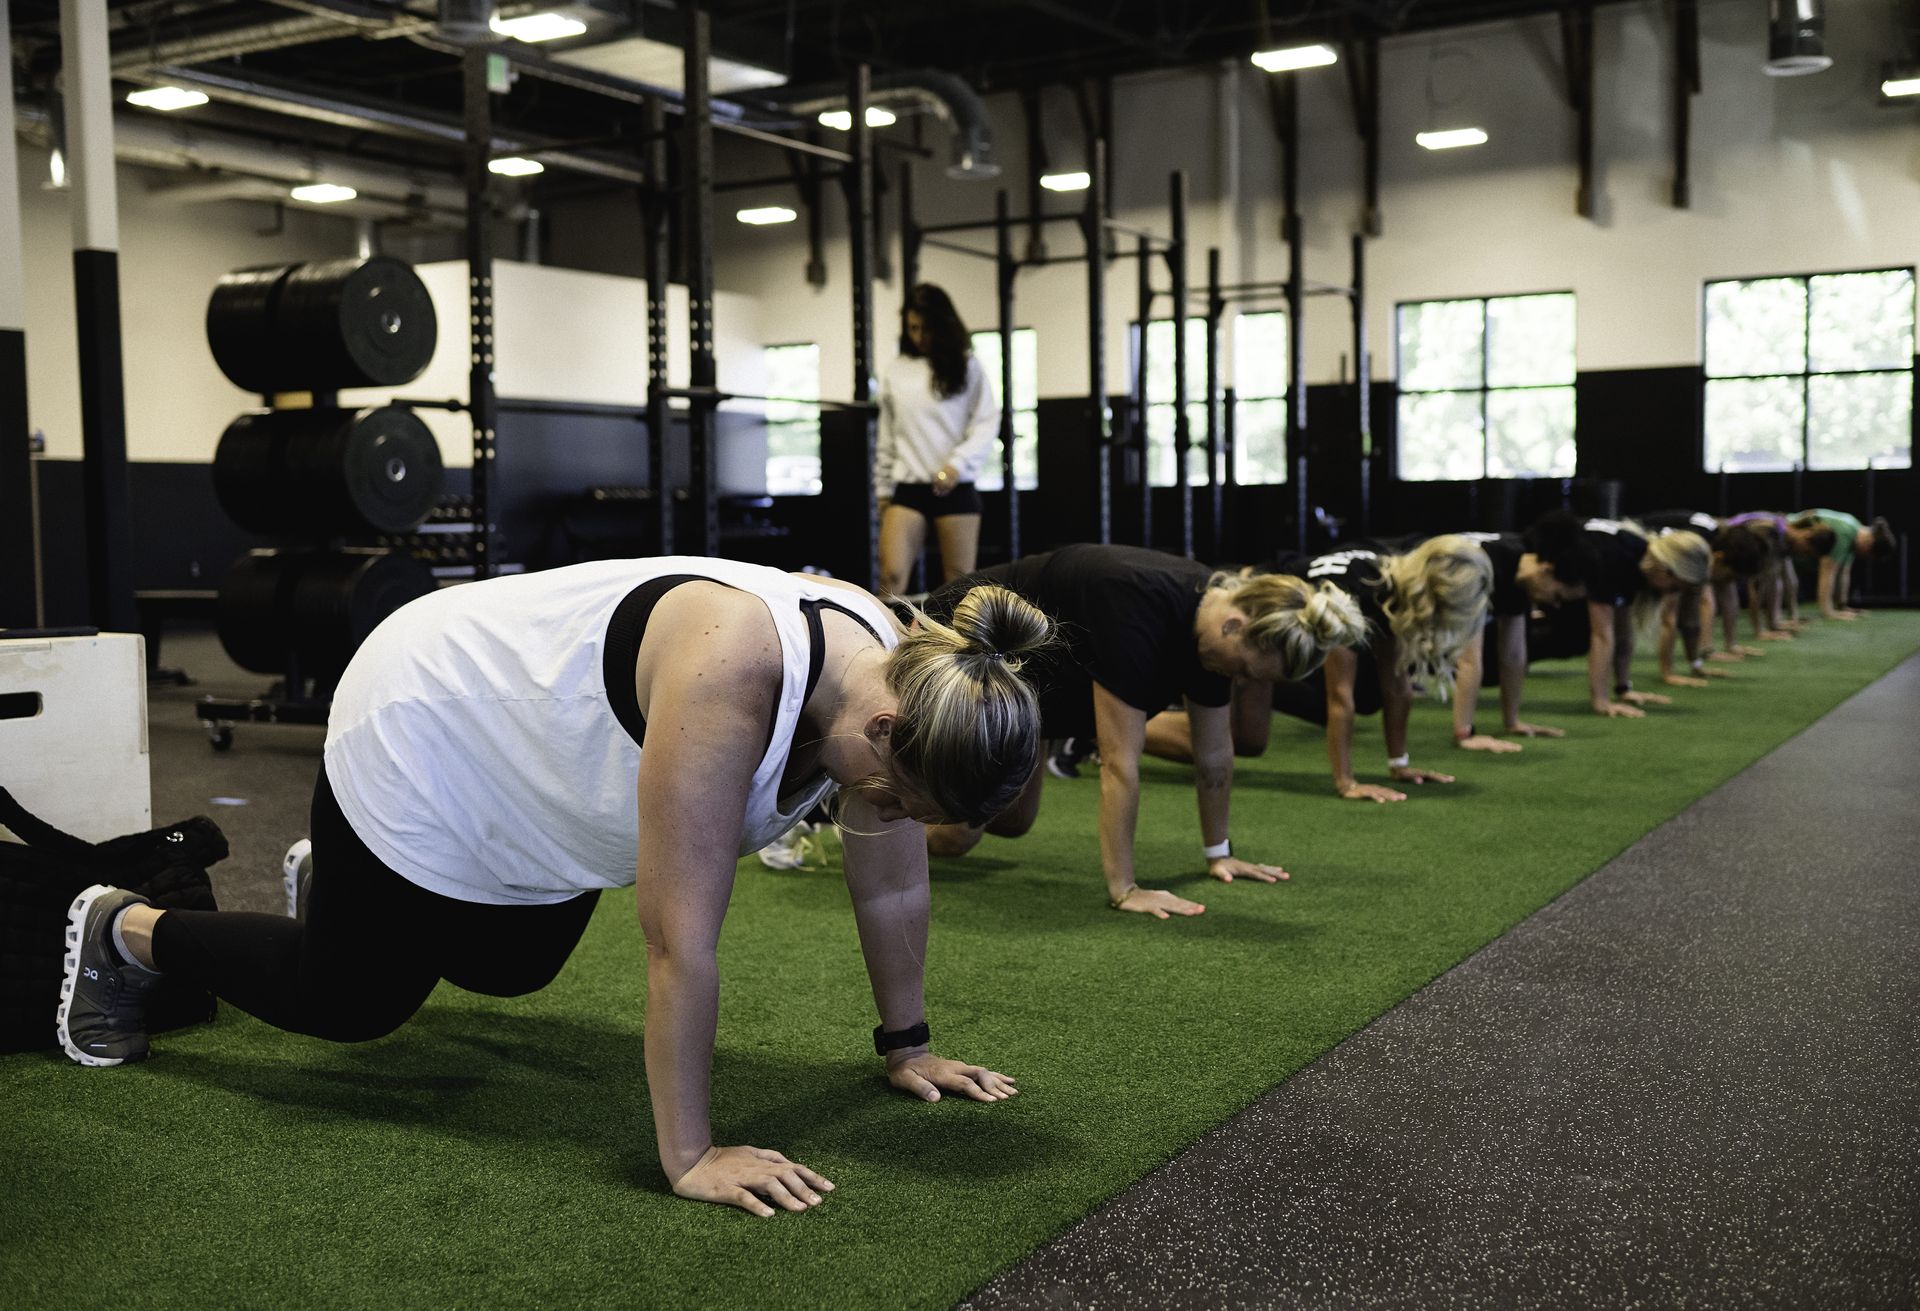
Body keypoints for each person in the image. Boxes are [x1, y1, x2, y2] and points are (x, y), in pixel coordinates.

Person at [55, 557, 1049, 1218]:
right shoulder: (739, 675)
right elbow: (679, 941)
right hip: (427, 717)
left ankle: (364, 884)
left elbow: (889, 888)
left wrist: (908, 1046)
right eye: (899, 799)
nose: (893, 820)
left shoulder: (908, 688)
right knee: (350, 1001)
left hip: (532, 778)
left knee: (516, 964)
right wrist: (690, 1155)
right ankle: (128, 931)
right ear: (882, 734)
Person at [921, 544, 1367, 919]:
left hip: (1035, 686)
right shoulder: (1137, 605)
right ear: (1236, 628)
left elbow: (1214, 757)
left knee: (1012, 820)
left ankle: (878, 811)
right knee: (959, 831)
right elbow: (1118, 764)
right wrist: (1126, 889)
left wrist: (1220, 853)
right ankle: (864, 806)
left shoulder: (1215, 637)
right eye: (1247, 671)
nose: (1244, 682)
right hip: (965, 646)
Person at [1260, 537, 1494, 802]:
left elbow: (1396, 686)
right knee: (1251, 741)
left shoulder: (1389, 583)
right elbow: (1340, 695)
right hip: (1257, 616)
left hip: (1283, 634)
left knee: (1373, 693)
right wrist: (1347, 783)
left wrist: (1399, 765)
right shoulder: (1352, 591)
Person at [875, 284, 1001, 598]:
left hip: (955, 487)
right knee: (889, 576)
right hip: (909, 486)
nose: (919, 336)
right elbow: (888, 434)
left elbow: (986, 422)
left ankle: (960, 647)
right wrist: (882, 488)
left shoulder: (967, 365)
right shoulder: (896, 369)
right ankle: (882, 645)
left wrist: (956, 466)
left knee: (960, 584)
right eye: (913, 328)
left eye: (927, 329)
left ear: (942, 326)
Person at [1445, 512, 1594, 752]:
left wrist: (1512, 722)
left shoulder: (1521, 572)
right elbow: (1469, 660)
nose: (1555, 606)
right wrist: (1465, 734)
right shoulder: (1485, 566)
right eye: (1557, 596)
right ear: (1547, 569)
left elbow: (1513, 655)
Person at [1568, 518, 1711, 717]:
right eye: (1674, 587)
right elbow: (1602, 635)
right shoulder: (1615, 558)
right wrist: (1601, 701)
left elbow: (1623, 630)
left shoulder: (1635, 557)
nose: (1670, 594)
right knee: (1576, 636)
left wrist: (1624, 689)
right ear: (1666, 569)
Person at [1789, 509, 1897, 620]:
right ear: (1870, 542)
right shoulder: (1845, 532)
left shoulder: (1854, 530)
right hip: (1781, 533)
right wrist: (1828, 611)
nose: (1864, 555)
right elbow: (1827, 571)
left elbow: (1844, 573)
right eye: (1868, 553)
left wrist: (1842, 606)